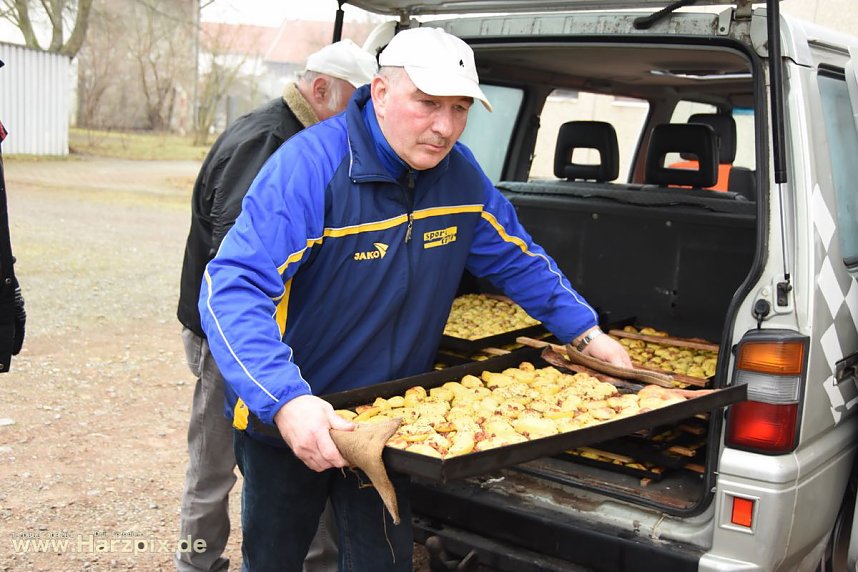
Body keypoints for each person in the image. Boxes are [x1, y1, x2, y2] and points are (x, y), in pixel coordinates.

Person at [199, 26, 632, 572]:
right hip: (293, 416)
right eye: (427, 103)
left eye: (459, 108)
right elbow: (231, 288)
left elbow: (518, 258)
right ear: (380, 92)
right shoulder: (310, 168)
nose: (445, 127)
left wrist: (586, 334)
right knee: (275, 559)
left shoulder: (459, 177)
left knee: (382, 560)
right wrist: (285, 401)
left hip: (390, 417)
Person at [175, 39, 378, 572]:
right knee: (215, 462)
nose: (367, 120)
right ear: (320, 90)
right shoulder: (271, 140)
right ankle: (197, 562)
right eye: (360, 103)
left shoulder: (299, 133)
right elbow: (234, 262)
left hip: (278, 336)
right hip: (236, 339)